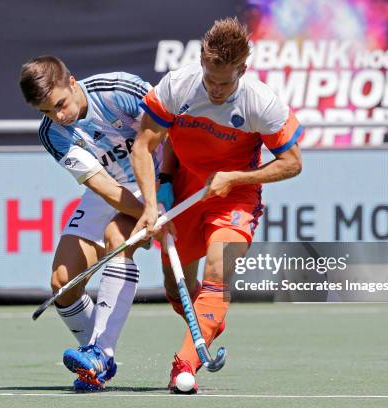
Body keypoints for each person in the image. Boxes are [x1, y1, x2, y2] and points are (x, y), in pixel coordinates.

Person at [131, 17, 304, 393]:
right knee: (177, 289)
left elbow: (293, 163)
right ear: (201, 62)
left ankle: (185, 363)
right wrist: (152, 203)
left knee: (218, 268)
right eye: (210, 78)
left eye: (224, 81)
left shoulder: (261, 102)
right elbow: (144, 145)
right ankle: (210, 319)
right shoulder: (178, 85)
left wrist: (235, 178)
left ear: (243, 69)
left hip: (235, 194)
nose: (215, 88)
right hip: (183, 192)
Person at [19, 56, 164, 391]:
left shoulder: (119, 90)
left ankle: (100, 352)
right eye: (46, 112)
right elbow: (102, 186)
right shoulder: (53, 134)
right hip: (112, 189)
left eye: (60, 105)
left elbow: (170, 132)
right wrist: (144, 213)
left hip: (159, 180)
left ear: (72, 82)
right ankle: (97, 361)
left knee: (118, 239)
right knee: (63, 283)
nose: (58, 116)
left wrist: (156, 200)